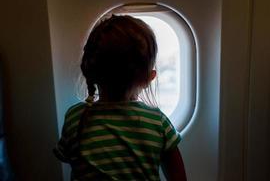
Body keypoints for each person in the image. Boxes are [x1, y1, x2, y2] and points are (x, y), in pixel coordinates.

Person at [54, 15, 186, 181]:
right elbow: (179, 177)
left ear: (91, 71)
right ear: (149, 78)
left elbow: (68, 157)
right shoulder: (157, 122)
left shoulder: (75, 118)